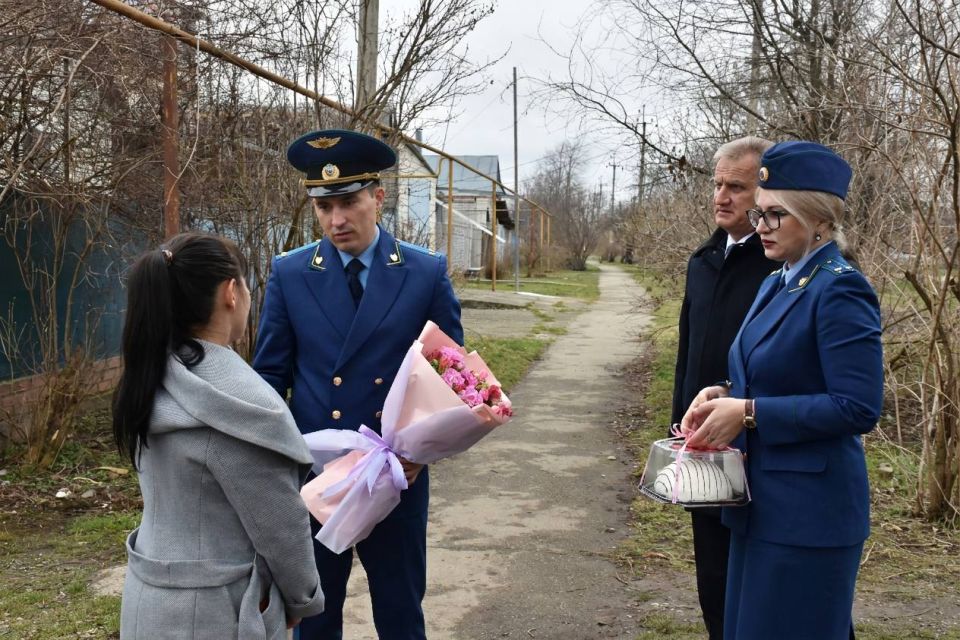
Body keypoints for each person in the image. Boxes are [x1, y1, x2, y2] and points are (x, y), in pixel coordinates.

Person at [253, 128, 463, 639]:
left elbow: (451, 379)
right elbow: (269, 380)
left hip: (396, 477)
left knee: (400, 615)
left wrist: (419, 455)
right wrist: (277, 463)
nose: (336, 220)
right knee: (315, 619)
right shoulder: (291, 273)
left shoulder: (423, 272)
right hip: (319, 480)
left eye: (348, 202)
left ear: (378, 198)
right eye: (323, 208)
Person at [681, 141, 884, 639]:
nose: (761, 227)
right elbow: (767, 374)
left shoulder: (839, 288)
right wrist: (720, 392)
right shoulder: (778, 282)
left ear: (817, 220)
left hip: (810, 515)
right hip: (758, 505)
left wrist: (749, 413)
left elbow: (857, 406)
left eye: (776, 215)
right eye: (760, 215)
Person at [112, 232, 324, 639]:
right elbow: (280, 523)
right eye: (245, 284)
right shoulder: (241, 401)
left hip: (147, 600)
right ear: (231, 292)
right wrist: (301, 600)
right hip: (217, 611)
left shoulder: (153, 375)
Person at [670, 136, 778, 640]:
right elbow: (688, 353)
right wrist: (677, 433)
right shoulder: (703, 260)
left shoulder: (781, 266)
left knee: (771, 588)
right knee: (713, 581)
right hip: (703, 443)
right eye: (717, 184)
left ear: (766, 193)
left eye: (736, 187)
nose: (721, 196)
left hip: (761, 446)